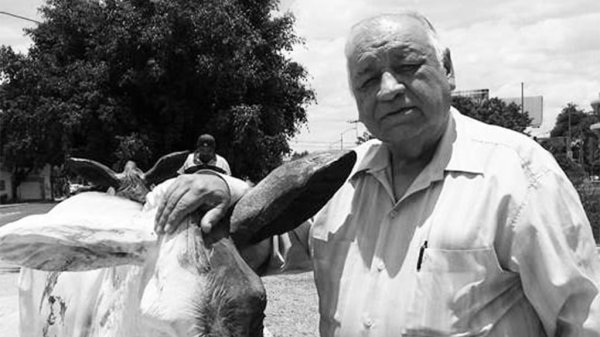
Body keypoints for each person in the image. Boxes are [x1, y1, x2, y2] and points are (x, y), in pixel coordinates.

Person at [154, 11, 600, 337]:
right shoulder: (341, 180)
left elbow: (582, 320)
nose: (389, 89)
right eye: (368, 79)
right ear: (356, 99)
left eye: (407, 66)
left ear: (447, 69)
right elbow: (267, 243)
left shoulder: (518, 175)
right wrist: (219, 191)